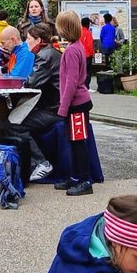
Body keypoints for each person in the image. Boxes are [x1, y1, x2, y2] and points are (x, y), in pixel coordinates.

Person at [4, 23, 62, 181]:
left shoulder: (45, 56)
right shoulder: (52, 52)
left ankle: (40, 163)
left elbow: (32, 82)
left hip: (52, 109)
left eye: (28, 38)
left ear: (38, 40)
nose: (26, 42)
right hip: (55, 105)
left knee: (13, 124)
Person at [55, 11, 94, 196]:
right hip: (78, 102)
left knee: (78, 143)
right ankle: (76, 176)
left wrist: (63, 107)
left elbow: (71, 82)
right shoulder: (76, 46)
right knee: (74, 142)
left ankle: (85, 180)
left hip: (76, 104)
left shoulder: (71, 51)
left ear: (64, 28)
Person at [79, 17, 95, 86]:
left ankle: (80, 85)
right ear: (88, 24)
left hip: (79, 55)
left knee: (80, 71)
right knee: (88, 71)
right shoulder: (88, 33)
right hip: (87, 55)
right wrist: (92, 53)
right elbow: (89, 45)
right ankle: (86, 86)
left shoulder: (79, 32)